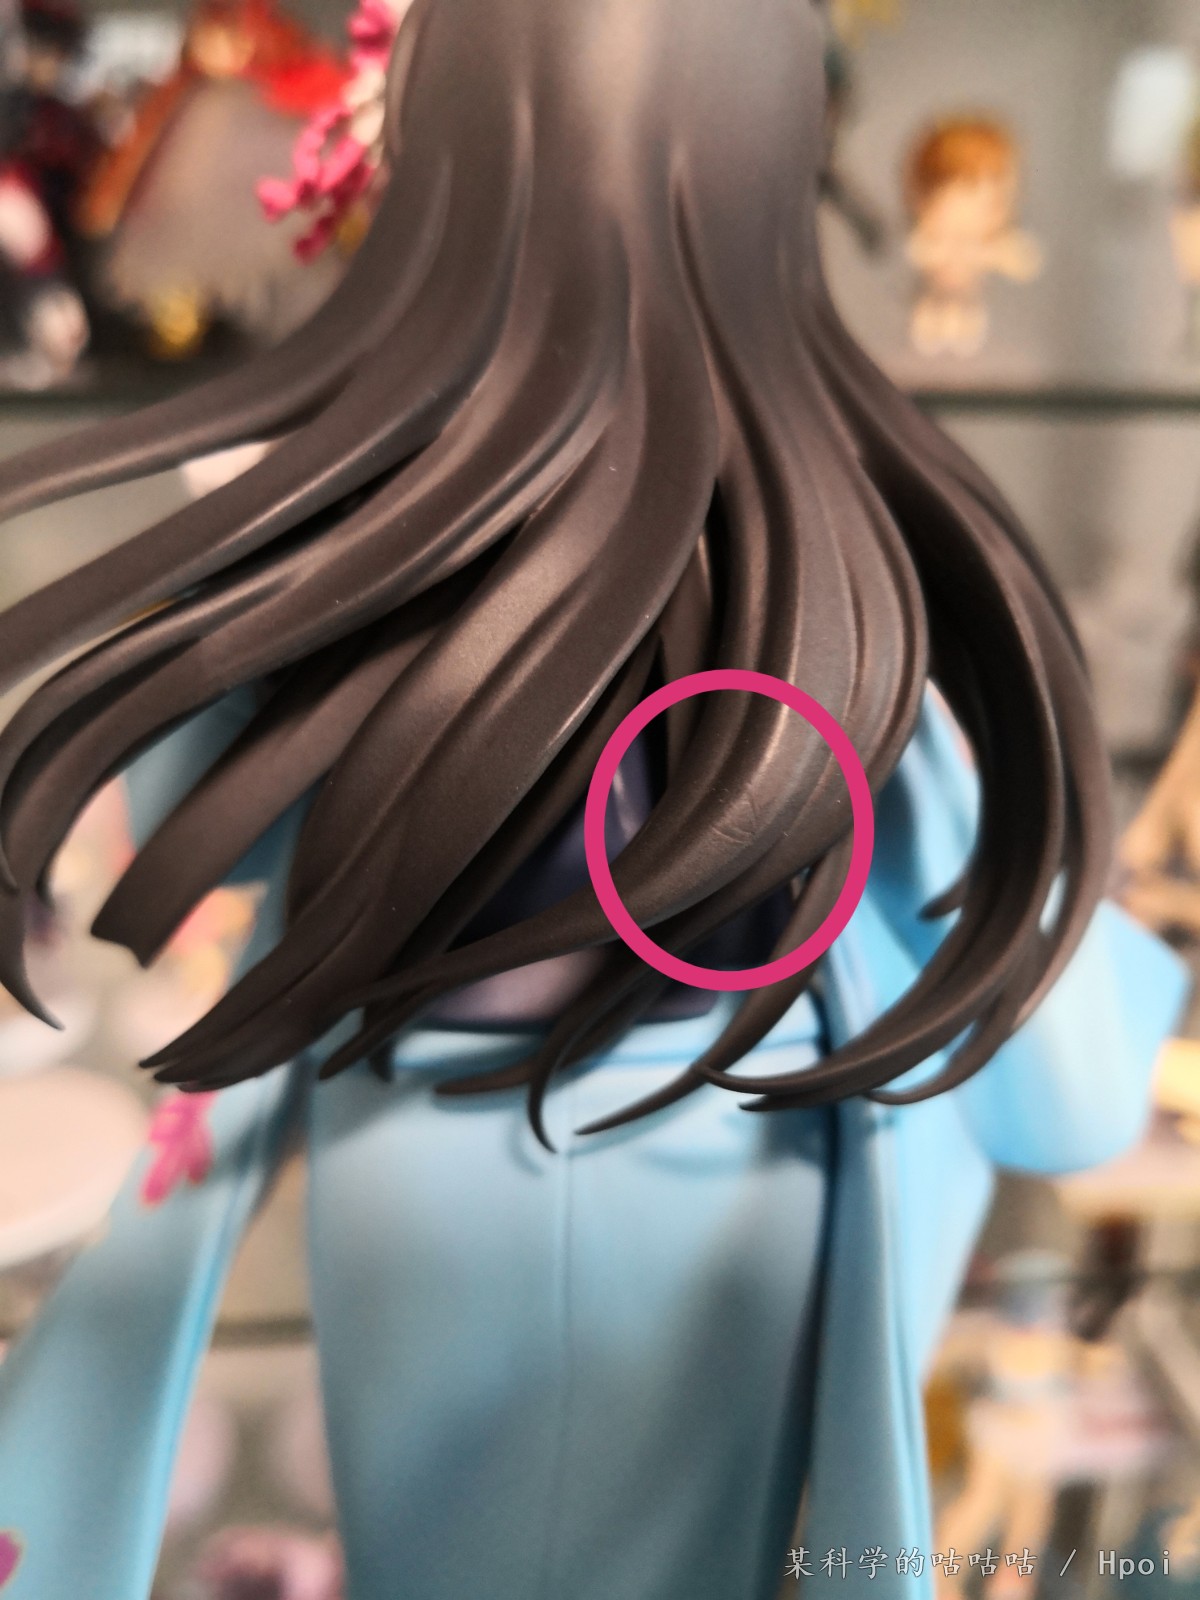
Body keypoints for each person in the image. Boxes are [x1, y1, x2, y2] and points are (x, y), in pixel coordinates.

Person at [0, 1, 1185, 1596]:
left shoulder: (370, 549)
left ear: (435, 166)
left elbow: (183, 829)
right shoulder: (836, 588)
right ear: (773, 173)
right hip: (727, 1146)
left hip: (409, 1158)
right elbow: (1046, 1060)